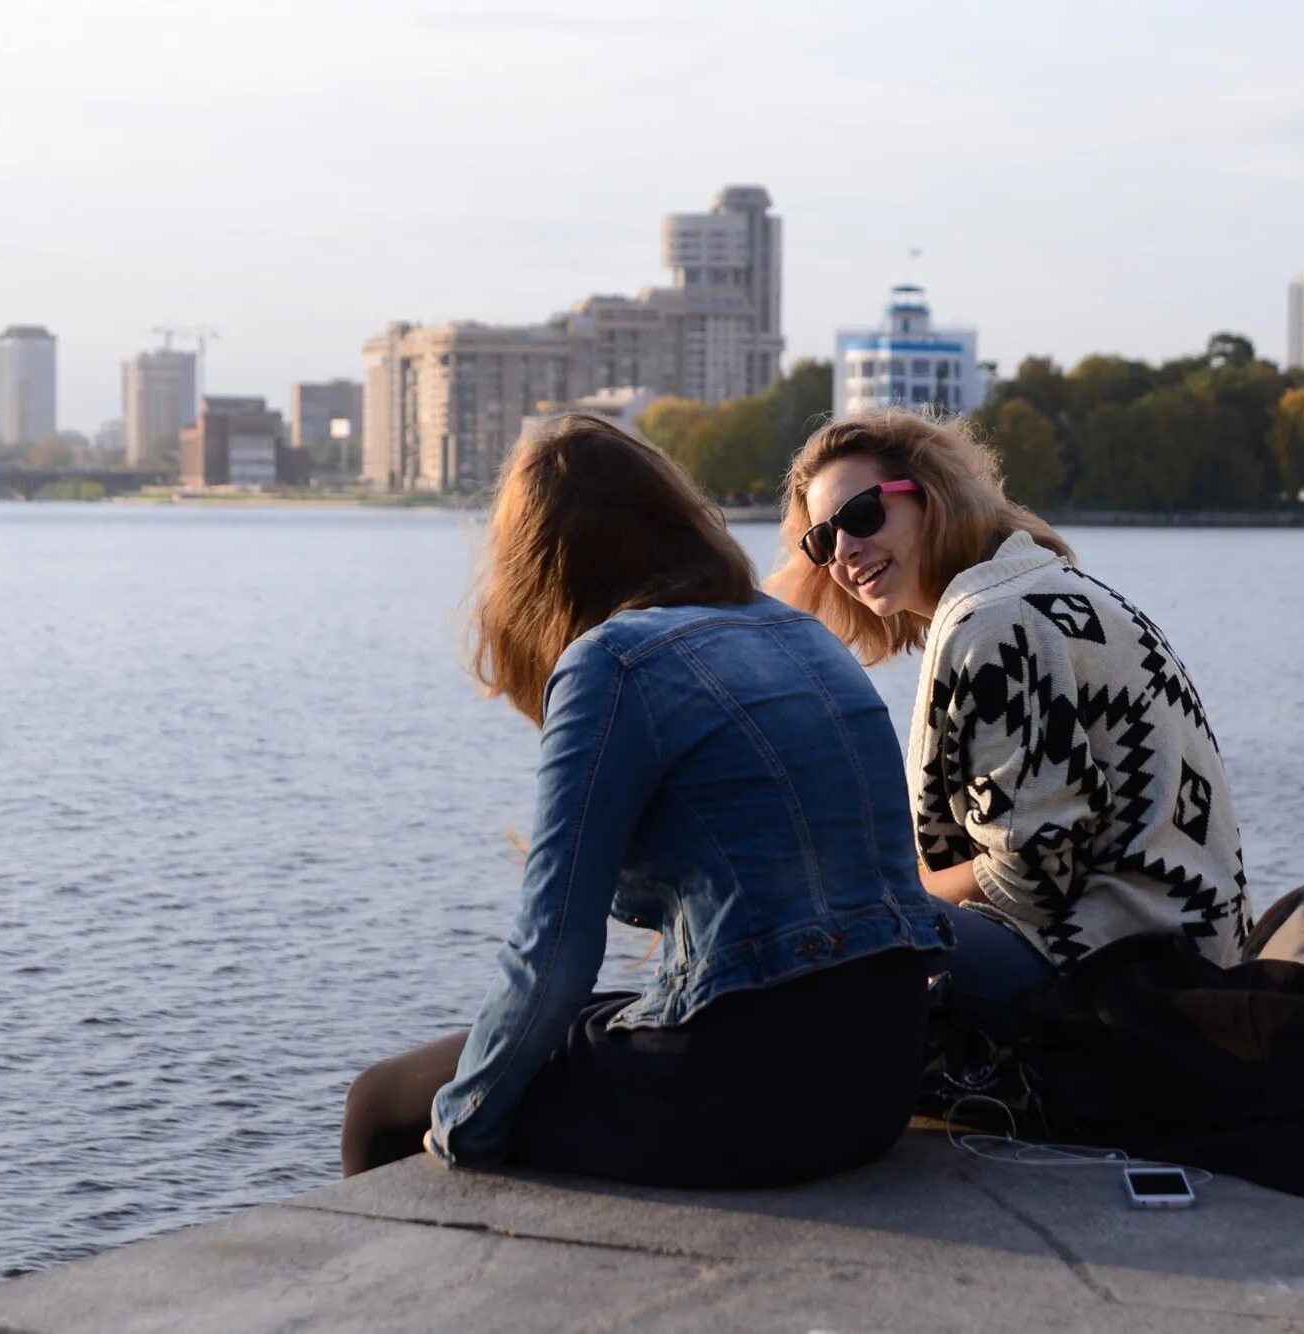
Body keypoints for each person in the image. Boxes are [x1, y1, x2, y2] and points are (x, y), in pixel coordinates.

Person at [339, 412, 950, 1188]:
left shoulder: (614, 663)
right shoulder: (806, 636)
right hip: (882, 1076)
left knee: (380, 1101)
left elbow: (551, 955)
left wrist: (463, 1124)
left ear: (543, 567)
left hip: (751, 1097)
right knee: (578, 1030)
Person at [771, 410, 1252, 1045]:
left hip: (1119, 972)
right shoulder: (1039, 585)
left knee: (806, 938)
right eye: (820, 541)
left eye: (860, 516)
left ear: (931, 498)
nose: (843, 552)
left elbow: (1027, 877)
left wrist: (883, 890)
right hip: (1191, 949)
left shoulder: (992, 624)